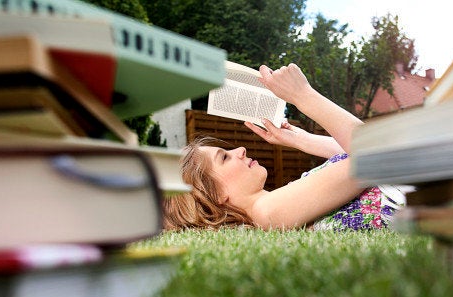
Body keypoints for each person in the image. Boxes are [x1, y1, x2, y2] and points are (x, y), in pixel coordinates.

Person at [163, 63, 407, 231]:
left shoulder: (282, 201)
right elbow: (374, 155)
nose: (240, 150)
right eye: (224, 158)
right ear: (214, 194)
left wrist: (300, 140)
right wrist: (303, 96)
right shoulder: (265, 212)